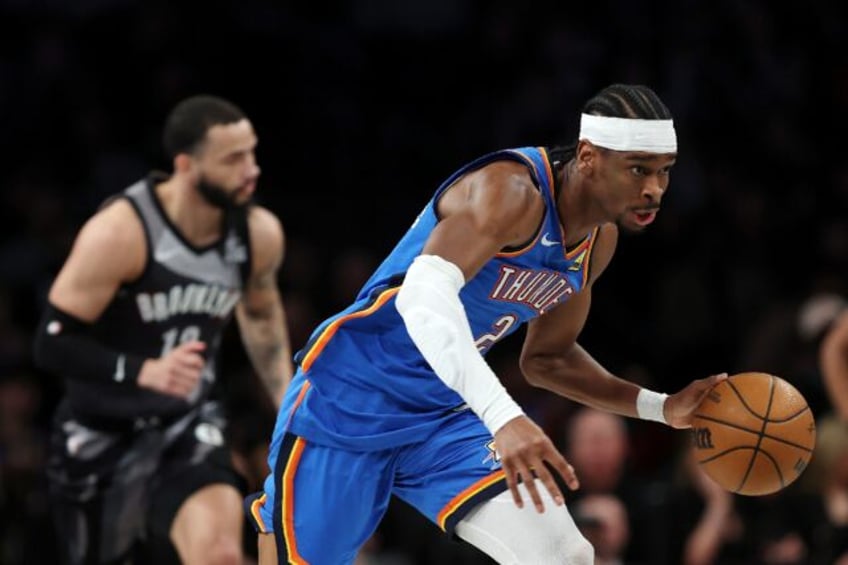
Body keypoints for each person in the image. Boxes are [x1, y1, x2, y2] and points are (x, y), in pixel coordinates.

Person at [246, 83, 725, 564]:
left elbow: (548, 359)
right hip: (352, 396)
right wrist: (506, 416)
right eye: (638, 169)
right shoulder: (511, 191)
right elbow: (421, 300)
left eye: (664, 172)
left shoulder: (597, 242)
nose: (654, 189)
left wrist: (662, 408)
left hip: (443, 415)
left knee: (563, 553)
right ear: (587, 156)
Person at [33, 95, 293, 565]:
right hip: (101, 430)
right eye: (233, 159)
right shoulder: (121, 233)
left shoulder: (257, 234)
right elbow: (51, 344)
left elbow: (260, 317)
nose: (251, 169)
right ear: (187, 166)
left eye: (252, 152)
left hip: (186, 423)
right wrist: (142, 370)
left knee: (220, 554)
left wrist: (288, 403)